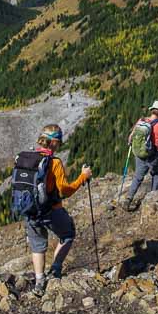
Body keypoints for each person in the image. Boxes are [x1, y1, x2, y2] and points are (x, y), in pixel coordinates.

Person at [27, 124, 92, 296]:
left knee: (37, 245)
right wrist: (82, 177)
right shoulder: (54, 162)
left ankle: (39, 282)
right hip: (50, 209)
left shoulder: (27, 158)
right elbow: (65, 190)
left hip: (29, 209)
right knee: (67, 234)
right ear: (54, 142)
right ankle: (55, 270)